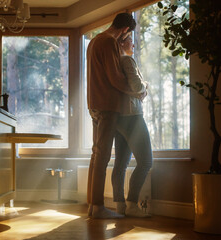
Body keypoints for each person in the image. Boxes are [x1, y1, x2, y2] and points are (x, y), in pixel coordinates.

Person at [86, 13, 142, 219]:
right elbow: (115, 78)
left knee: (96, 155)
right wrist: (138, 91)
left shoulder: (94, 41)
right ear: (125, 30)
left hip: (94, 103)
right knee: (102, 156)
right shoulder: (109, 41)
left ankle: (92, 205)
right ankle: (99, 207)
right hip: (107, 104)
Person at [112, 35, 152, 218]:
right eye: (129, 40)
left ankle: (120, 206)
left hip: (119, 118)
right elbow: (137, 87)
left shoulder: (113, 63)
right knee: (146, 161)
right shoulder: (127, 60)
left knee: (120, 164)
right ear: (121, 43)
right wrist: (145, 85)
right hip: (133, 117)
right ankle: (132, 205)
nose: (133, 44)